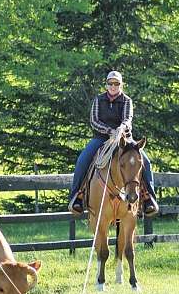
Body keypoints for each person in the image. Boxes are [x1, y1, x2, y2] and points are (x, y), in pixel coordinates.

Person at [68, 71, 158, 216]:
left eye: (116, 83)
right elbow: (94, 121)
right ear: (106, 85)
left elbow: (127, 119)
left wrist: (121, 129)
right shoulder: (99, 100)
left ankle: (149, 198)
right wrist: (110, 131)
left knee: (145, 161)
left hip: (124, 139)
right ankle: (77, 197)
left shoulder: (127, 100)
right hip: (102, 138)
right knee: (82, 160)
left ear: (121, 85)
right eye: (110, 83)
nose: (113, 86)